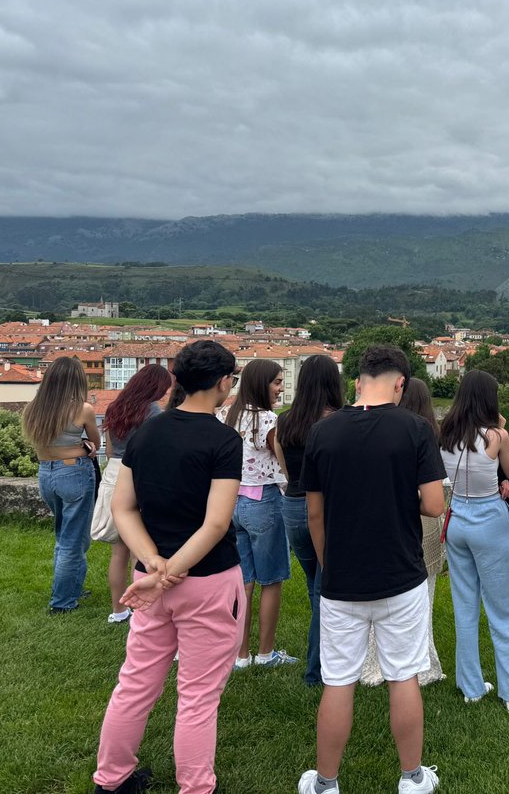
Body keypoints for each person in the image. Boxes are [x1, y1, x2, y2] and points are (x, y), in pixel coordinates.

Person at [91, 340, 245, 794]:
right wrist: (169, 571)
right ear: (222, 383)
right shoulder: (222, 440)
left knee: (135, 682)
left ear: (176, 380)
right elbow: (216, 523)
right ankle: (196, 787)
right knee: (197, 697)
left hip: (148, 577)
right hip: (208, 580)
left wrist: (155, 567)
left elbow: (124, 509)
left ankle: (111, 779)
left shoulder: (145, 433)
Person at [297, 345, 446, 794]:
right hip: (401, 574)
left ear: (358, 381)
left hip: (342, 577)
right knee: (403, 675)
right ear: (400, 383)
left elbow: (314, 514)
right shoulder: (416, 429)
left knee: (338, 680)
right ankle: (412, 777)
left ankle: (325, 782)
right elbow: (435, 505)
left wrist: (328, 562)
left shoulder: (323, 432)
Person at [438, 369, 509, 712]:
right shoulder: (496, 435)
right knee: (504, 608)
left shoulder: (446, 433)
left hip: (457, 516)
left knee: (465, 605)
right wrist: (501, 425)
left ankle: (471, 684)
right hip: (489, 518)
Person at [360, 376, 448, 687]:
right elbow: (434, 498)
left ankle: (373, 664)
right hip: (421, 519)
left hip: (383, 520)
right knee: (422, 599)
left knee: (381, 595)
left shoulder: (378, 432)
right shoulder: (426, 434)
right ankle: (420, 665)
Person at [222, 358, 297, 670]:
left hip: (233, 502)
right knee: (272, 578)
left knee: (244, 581)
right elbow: (282, 461)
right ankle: (265, 653)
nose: (280, 389)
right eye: (277, 382)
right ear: (261, 384)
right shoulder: (268, 421)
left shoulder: (229, 414)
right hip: (264, 502)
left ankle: (241, 654)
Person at [275, 354, 344, 686]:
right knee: (323, 591)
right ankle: (316, 672)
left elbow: (287, 473)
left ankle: (322, 657)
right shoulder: (337, 421)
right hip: (324, 510)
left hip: (292, 509)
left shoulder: (284, 421)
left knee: (313, 584)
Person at [21, 355, 101, 614]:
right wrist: (83, 446)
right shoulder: (82, 409)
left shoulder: (34, 408)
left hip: (46, 473)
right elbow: (95, 444)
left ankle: (70, 588)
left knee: (64, 535)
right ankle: (63, 602)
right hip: (74, 473)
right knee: (72, 539)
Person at [98, 364, 174, 624]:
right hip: (139, 473)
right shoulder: (152, 411)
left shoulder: (114, 407)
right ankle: (141, 609)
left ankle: (118, 610)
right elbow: (156, 450)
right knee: (140, 550)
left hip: (114, 471)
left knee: (118, 552)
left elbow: (108, 450)